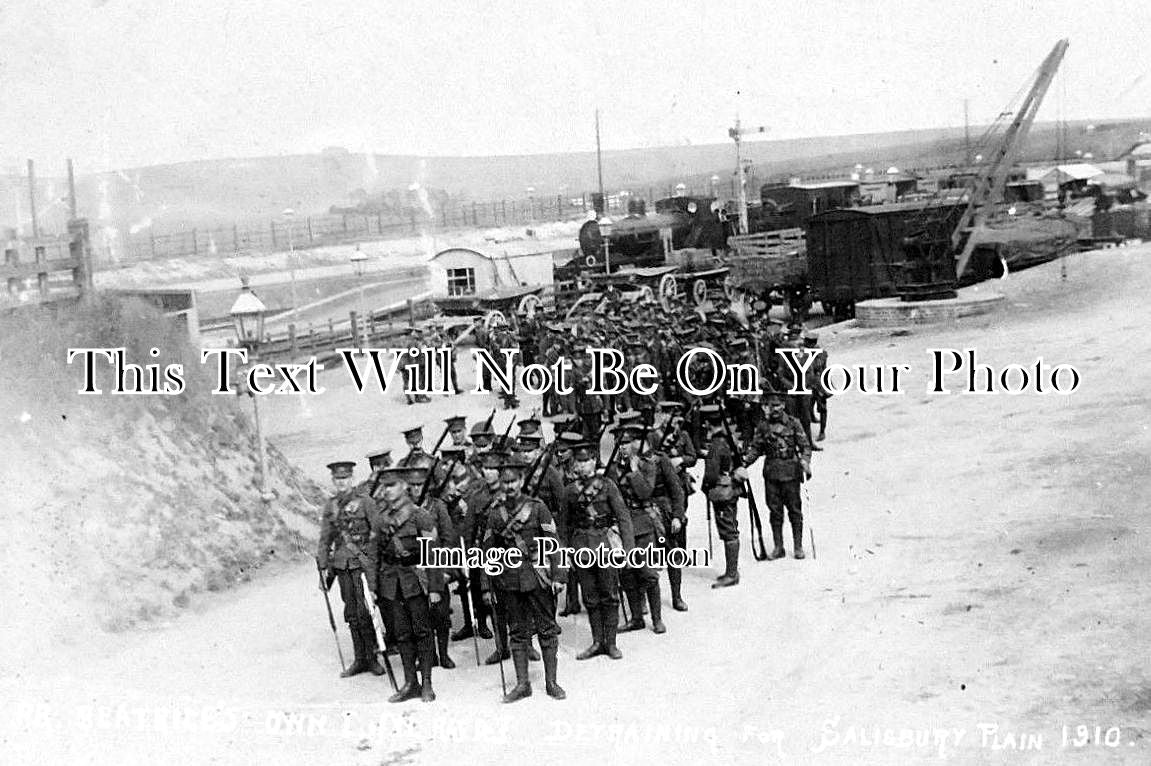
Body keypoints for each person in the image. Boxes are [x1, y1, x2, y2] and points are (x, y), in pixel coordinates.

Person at [480, 460, 568, 701]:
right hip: (508, 580)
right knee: (517, 633)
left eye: (513, 482)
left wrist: (559, 575)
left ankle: (551, 683)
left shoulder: (538, 508)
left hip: (537, 578)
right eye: (505, 482)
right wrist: (486, 585)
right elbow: (488, 551)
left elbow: (553, 542)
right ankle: (522, 684)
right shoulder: (496, 514)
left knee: (547, 630)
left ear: (521, 482)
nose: (509, 487)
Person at [366, 467, 438, 702]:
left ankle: (426, 683)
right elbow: (374, 554)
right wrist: (374, 587)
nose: (387, 491)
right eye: (385, 486)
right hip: (390, 584)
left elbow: (434, 555)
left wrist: (435, 588)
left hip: (414, 581)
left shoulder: (420, 516)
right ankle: (410, 683)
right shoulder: (380, 518)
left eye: (392, 485)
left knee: (422, 632)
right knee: (402, 634)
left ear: (405, 486)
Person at [560, 442, 635, 660]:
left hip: (604, 544)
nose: (582, 466)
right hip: (581, 547)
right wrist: (563, 553)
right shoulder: (569, 491)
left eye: (586, 461)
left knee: (610, 595)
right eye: (578, 461)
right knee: (590, 596)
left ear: (594, 461)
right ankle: (596, 641)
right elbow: (563, 525)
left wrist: (629, 550)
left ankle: (610, 643)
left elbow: (623, 517)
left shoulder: (608, 486)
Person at [610, 424, 682, 635]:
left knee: (647, 571)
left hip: (644, 522)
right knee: (627, 573)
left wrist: (634, 471)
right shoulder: (613, 468)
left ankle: (657, 618)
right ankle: (636, 618)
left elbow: (644, 492)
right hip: (623, 525)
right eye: (619, 444)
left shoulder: (647, 464)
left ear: (635, 443)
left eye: (625, 443)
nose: (622, 447)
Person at [316, 461, 385, 678]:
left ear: (352, 479)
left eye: (344, 478)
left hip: (362, 564)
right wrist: (322, 566)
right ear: (333, 481)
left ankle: (372, 658)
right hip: (342, 566)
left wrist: (374, 563)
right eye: (337, 479)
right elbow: (325, 538)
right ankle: (359, 659)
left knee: (365, 611)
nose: (341, 482)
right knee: (352, 613)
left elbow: (377, 534)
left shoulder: (366, 502)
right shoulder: (330, 506)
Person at [738, 390, 812, 560]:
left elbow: (805, 447)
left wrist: (805, 462)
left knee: (794, 511)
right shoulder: (763, 426)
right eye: (771, 406)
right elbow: (756, 448)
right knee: (774, 511)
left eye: (777, 405)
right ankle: (779, 547)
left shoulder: (794, 424)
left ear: (784, 405)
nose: (774, 409)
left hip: (791, 473)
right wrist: (744, 463)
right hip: (771, 474)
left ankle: (798, 546)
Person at [402, 465, 458, 670]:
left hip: (437, 566)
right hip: (415, 570)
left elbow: (448, 538)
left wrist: (445, 570)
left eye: (420, 485)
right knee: (420, 617)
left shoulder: (438, 507)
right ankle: (429, 656)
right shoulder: (404, 509)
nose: (417, 489)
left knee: (441, 615)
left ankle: (444, 654)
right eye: (413, 485)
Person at [647, 401, 696, 611]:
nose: (666, 417)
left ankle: (677, 595)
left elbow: (693, 457)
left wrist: (680, 460)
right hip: (650, 499)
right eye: (663, 413)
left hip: (672, 490)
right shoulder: (650, 438)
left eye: (669, 413)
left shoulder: (682, 435)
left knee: (674, 541)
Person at [700, 406, 742, 588]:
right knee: (730, 526)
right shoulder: (728, 440)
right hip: (731, 489)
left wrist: (705, 487)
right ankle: (731, 571)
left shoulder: (716, 446)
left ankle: (732, 574)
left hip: (722, 493)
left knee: (728, 530)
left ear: (708, 424)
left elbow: (710, 474)